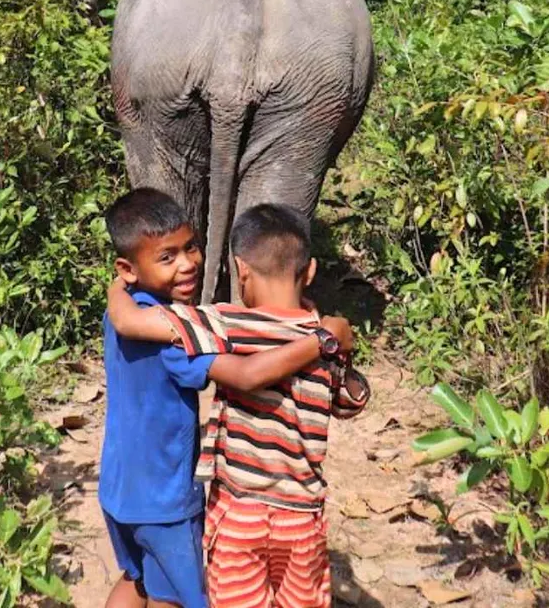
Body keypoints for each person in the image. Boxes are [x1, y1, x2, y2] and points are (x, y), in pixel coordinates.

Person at [107, 202, 370, 608]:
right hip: (295, 511)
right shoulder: (321, 337)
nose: (187, 264)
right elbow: (350, 401)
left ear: (241, 270)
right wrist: (330, 344)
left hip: (225, 507)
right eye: (169, 256)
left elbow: (128, 321)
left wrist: (117, 288)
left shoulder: (222, 324)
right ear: (311, 271)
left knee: (143, 578)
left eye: (191, 248)